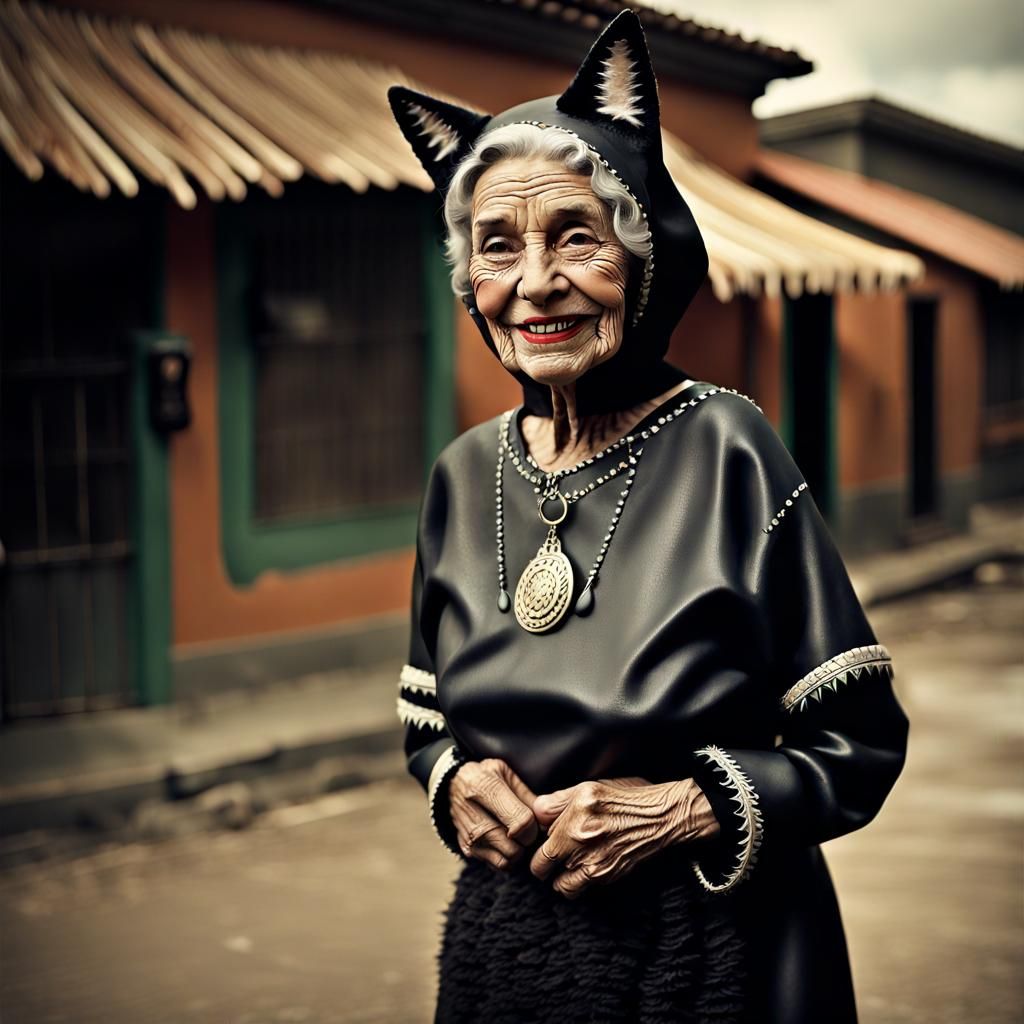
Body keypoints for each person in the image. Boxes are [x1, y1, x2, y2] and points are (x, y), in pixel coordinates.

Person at [388, 11, 908, 1023]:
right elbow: (424, 717)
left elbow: (859, 744)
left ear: (645, 249)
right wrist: (451, 782)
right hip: (514, 957)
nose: (534, 282)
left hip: (715, 952)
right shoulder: (462, 474)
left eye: (574, 235)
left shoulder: (728, 447)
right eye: (497, 246)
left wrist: (683, 807)